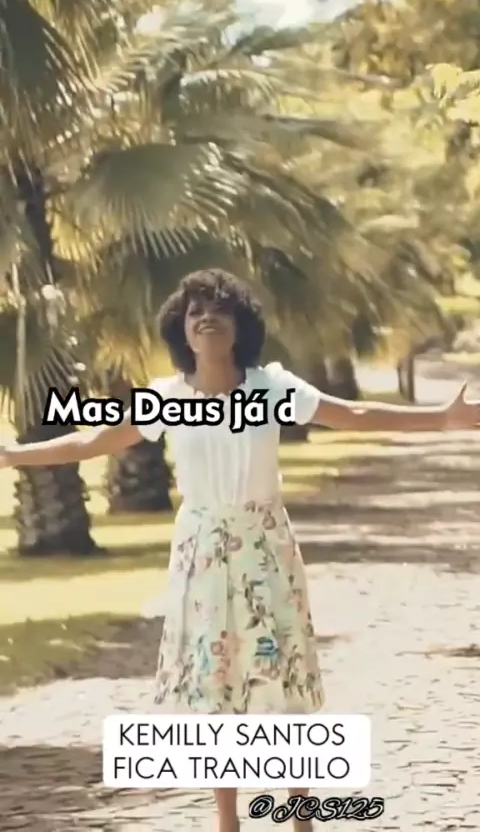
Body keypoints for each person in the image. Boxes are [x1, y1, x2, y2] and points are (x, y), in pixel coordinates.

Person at [1, 268, 479, 832]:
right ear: (181, 329)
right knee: (216, 681)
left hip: (264, 545)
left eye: (219, 310)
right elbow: (91, 440)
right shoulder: (167, 398)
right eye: (194, 311)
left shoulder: (272, 388)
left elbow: (352, 415)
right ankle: (227, 820)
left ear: (240, 326)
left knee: (282, 674)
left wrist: (442, 419)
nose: (207, 318)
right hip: (201, 553)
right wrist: (14, 455)